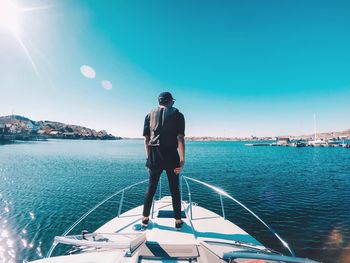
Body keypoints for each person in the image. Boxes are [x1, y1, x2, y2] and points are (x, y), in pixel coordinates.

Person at [142, 92, 185, 230]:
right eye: (173, 101)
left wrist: (149, 157)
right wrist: (182, 160)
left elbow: (146, 139)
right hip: (171, 154)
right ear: (170, 101)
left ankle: (145, 219)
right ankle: (178, 221)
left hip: (154, 153)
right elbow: (180, 138)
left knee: (151, 187)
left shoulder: (149, 115)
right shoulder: (178, 115)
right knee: (174, 189)